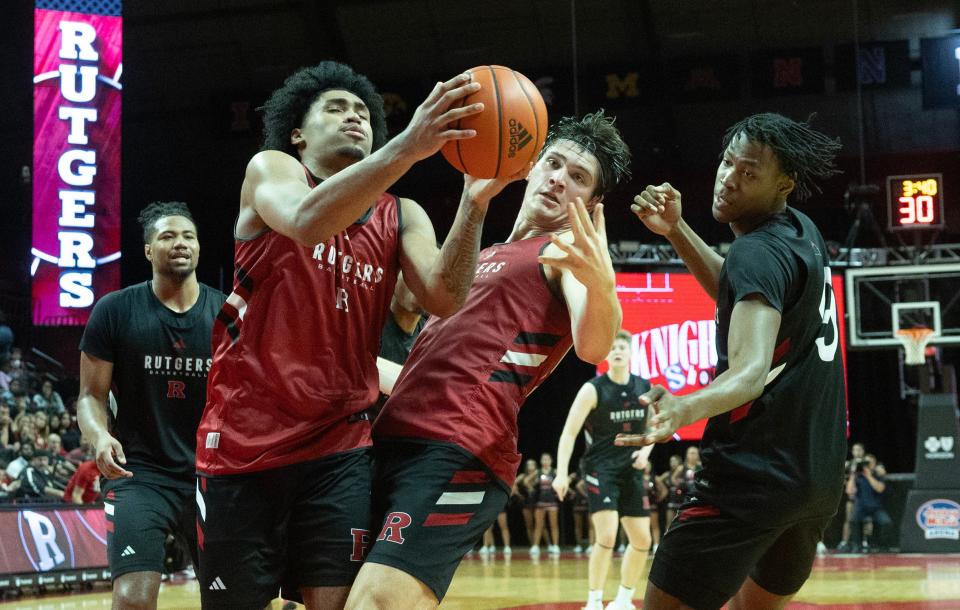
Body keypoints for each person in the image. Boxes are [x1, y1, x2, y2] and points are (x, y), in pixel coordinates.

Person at [193, 61, 512, 610]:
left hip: (337, 447)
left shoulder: (401, 212)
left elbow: (444, 296)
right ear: (298, 132)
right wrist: (410, 147)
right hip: (244, 439)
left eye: (363, 113)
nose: (355, 119)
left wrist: (474, 203)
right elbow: (307, 220)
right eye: (337, 109)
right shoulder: (272, 169)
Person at [345, 110, 631, 610]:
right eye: (554, 164)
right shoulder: (484, 254)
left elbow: (594, 345)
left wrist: (602, 283)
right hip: (394, 437)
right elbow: (415, 373)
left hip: (460, 449)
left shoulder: (563, 252)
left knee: (377, 603)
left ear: (593, 203)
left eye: (579, 178)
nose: (560, 179)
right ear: (531, 165)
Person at [620, 112, 847, 609]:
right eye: (728, 163)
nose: (729, 179)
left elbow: (747, 375)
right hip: (816, 480)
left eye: (749, 173)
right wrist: (677, 229)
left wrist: (683, 408)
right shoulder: (801, 230)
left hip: (750, 477)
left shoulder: (757, 251)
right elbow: (740, 288)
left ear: (783, 183)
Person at [77, 201, 224, 610]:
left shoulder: (228, 314)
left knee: (240, 598)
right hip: (138, 473)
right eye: (168, 236)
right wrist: (99, 435)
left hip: (214, 473)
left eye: (188, 236)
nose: (180, 243)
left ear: (199, 247)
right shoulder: (114, 311)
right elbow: (90, 397)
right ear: (148, 250)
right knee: (133, 597)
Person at [554, 329, 654, 610]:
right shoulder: (593, 389)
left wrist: (645, 452)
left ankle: (623, 599)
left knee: (642, 540)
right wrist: (562, 474)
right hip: (600, 468)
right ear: (607, 354)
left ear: (631, 352)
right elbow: (568, 433)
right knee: (607, 535)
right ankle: (594, 600)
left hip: (631, 470)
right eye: (613, 347)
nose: (618, 350)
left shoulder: (644, 387)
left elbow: (655, 427)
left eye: (623, 346)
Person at [846, 453, 891, 552]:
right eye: (866, 463)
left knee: (886, 522)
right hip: (861, 507)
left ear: (874, 464)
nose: (868, 465)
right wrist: (853, 476)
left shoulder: (878, 474)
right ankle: (857, 545)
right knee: (853, 520)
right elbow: (849, 490)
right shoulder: (858, 476)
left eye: (870, 463)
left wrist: (869, 476)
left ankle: (882, 546)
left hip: (876, 507)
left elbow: (880, 488)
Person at [836, 442, 866, 552]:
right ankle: (844, 542)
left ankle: (863, 542)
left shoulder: (867, 463)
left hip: (864, 498)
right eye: (855, 450)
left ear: (863, 451)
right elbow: (841, 475)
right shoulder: (849, 464)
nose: (857, 452)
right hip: (852, 496)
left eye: (859, 450)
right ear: (852, 452)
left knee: (865, 520)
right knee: (849, 519)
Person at [532, 452, 562, 556]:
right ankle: (535, 546)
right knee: (539, 525)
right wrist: (533, 485)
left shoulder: (555, 472)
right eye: (543, 459)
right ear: (541, 461)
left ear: (551, 461)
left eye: (547, 459)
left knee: (554, 525)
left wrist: (559, 492)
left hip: (552, 502)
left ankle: (555, 546)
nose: (545, 461)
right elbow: (526, 481)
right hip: (540, 502)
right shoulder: (538, 472)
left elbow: (563, 482)